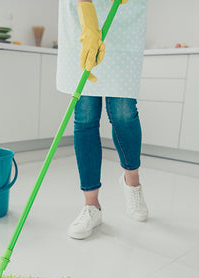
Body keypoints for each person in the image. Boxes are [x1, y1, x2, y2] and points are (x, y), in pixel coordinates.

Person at [57, 0, 149, 239]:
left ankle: (132, 181)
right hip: (81, 18)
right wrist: (89, 25)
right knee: (85, 115)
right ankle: (91, 206)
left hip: (124, 17)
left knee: (123, 112)